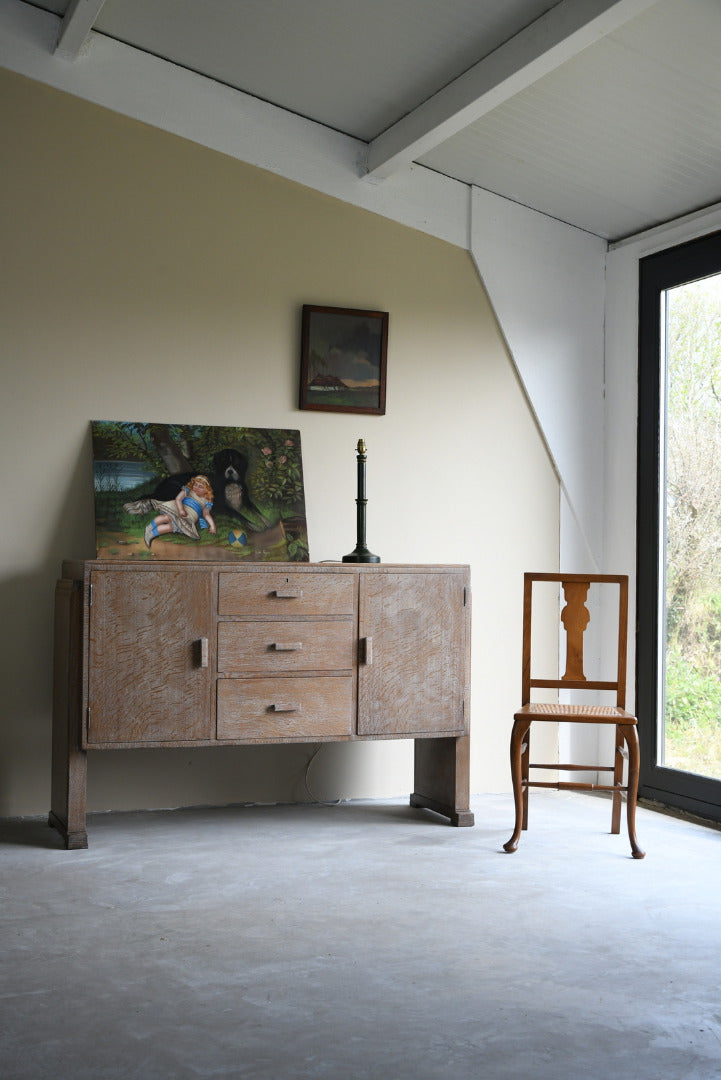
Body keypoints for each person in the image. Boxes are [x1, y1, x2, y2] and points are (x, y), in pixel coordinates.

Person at [124, 475, 216, 547]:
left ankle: (151, 535)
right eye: (195, 485)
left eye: (200, 486)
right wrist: (180, 510)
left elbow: (206, 514)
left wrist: (212, 526)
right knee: (166, 517)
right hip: (179, 509)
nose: (196, 488)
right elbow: (178, 499)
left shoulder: (207, 500)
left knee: (171, 527)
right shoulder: (188, 491)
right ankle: (150, 527)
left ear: (206, 489)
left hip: (189, 518)